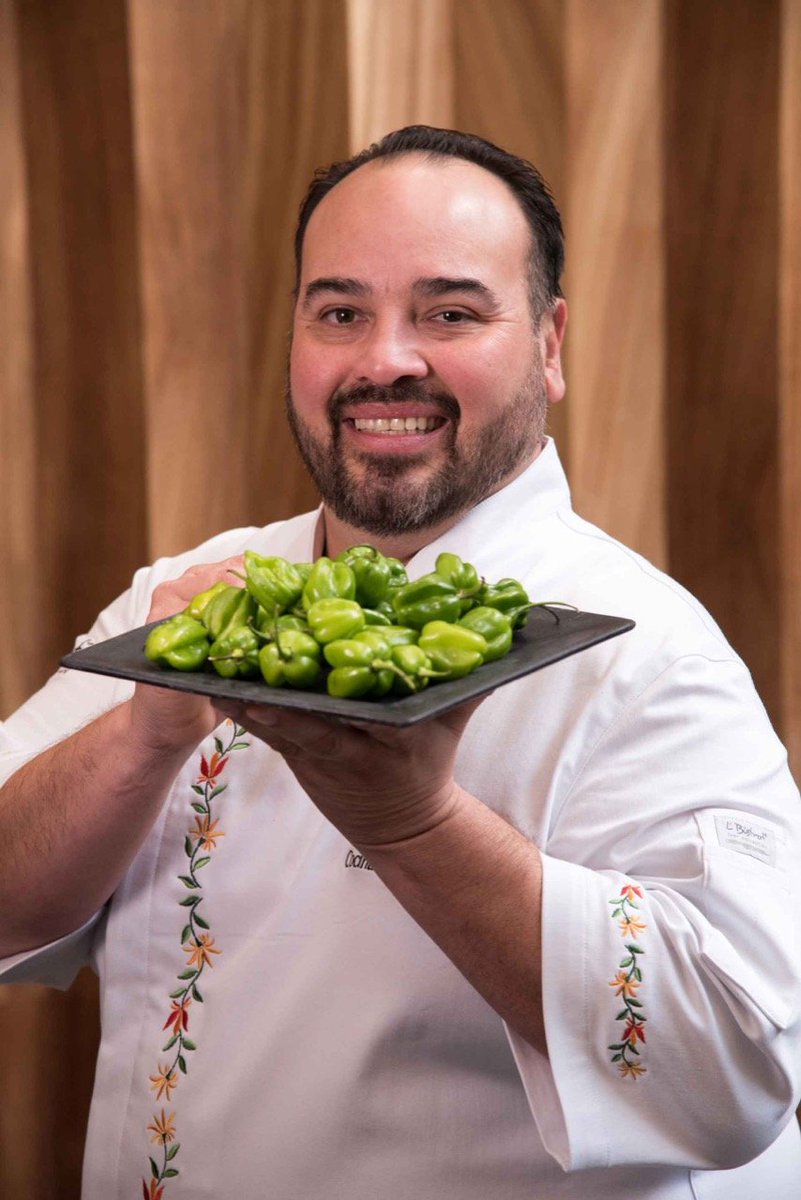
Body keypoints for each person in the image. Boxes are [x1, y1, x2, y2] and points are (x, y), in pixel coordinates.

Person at [1, 126, 800, 1200]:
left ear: (551, 344)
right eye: (340, 312)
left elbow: (742, 1070)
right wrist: (145, 732)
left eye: (450, 312)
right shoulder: (182, 601)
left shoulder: (648, 655)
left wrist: (414, 825)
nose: (385, 359)